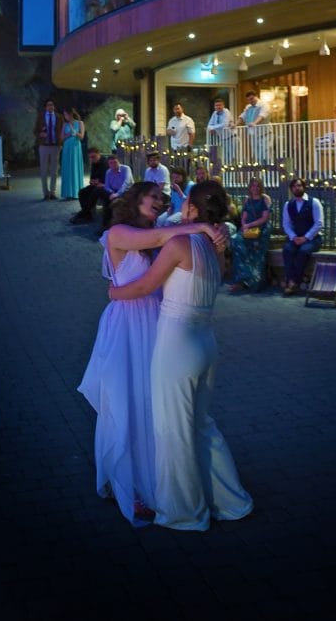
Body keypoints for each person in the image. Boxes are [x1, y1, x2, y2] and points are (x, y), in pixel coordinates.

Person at [78, 181, 227, 527]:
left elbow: (171, 239)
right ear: (135, 199)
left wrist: (214, 232)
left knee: (153, 406)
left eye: (163, 199)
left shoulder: (161, 232)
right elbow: (162, 241)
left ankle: (159, 482)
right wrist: (203, 225)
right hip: (128, 325)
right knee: (126, 400)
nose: (160, 202)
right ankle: (130, 486)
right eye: (153, 197)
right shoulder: (119, 233)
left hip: (157, 324)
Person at [107, 180, 253, 531]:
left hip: (177, 345)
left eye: (185, 203)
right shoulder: (217, 247)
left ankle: (184, 513)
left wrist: (114, 292)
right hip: (206, 343)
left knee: (173, 431)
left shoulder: (179, 244)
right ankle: (233, 502)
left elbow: (145, 286)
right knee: (203, 426)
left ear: (192, 209)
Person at [229, 176, 272, 293]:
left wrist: (249, 225)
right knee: (236, 241)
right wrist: (244, 225)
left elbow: (264, 218)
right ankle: (242, 279)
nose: (255, 188)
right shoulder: (248, 200)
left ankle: (253, 280)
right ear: (250, 187)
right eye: (253, 185)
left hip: (260, 228)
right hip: (249, 228)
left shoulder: (265, 199)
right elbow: (244, 216)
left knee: (253, 246)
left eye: (258, 186)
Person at [281, 177, 324, 295]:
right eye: (294, 186)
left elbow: (319, 223)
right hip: (296, 237)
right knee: (287, 250)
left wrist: (305, 237)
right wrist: (293, 237)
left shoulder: (314, 202)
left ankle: (292, 282)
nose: (297, 188)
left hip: (313, 238)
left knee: (303, 252)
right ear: (291, 189)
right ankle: (292, 280)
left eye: (299, 185)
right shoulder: (288, 204)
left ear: (304, 187)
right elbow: (286, 224)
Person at [71, 147, 110, 224]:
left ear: (99, 154)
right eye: (90, 157)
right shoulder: (94, 163)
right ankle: (87, 214)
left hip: (105, 186)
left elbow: (104, 179)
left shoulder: (105, 163)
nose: (92, 159)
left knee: (93, 193)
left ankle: (83, 213)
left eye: (93, 157)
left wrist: (95, 181)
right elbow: (92, 179)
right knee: (82, 192)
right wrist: (95, 181)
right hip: (97, 185)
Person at [34, 97, 62, 200]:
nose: (50, 107)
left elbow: (62, 130)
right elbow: (35, 130)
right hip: (44, 146)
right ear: (45, 107)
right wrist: (39, 134)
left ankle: (53, 192)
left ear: (54, 106)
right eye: (48, 105)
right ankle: (45, 193)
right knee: (44, 170)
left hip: (55, 146)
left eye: (52, 105)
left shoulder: (59, 117)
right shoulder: (41, 116)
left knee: (54, 170)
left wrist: (61, 142)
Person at [97, 153, 135, 231]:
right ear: (108, 164)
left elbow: (126, 183)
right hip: (114, 192)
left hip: (126, 192)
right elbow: (107, 186)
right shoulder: (108, 172)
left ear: (119, 162)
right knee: (100, 192)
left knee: (109, 201)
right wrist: (112, 193)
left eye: (115, 162)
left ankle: (107, 225)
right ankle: (106, 225)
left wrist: (117, 194)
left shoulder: (126, 169)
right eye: (111, 163)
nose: (113, 164)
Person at [60, 107, 86, 200]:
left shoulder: (80, 123)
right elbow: (62, 138)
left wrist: (75, 133)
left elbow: (82, 137)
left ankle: (76, 192)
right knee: (67, 168)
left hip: (75, 148)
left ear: (70, 114)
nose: (65, 116)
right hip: (67, 148)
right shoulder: (64, 124)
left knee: (75, 167)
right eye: (64, 115)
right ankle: (68, 193)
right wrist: (69, 134)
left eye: (66, 114)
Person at [238, 89, 270, 163]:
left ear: (256, 96)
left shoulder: (264, 105)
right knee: (257, 155)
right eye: (248, 100)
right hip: (253, 135)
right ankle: (261, 173)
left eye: (252, 99)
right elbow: (242, 116)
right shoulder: (248, 106)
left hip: (264, 134)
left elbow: (262, 116)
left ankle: (268, 173)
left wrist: (254, 123)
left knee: (266, 154)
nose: (250, 101)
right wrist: (235, 124)